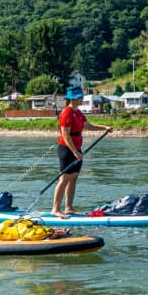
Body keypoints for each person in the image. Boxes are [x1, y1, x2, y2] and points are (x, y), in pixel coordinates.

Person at [52, 86, 111, 217]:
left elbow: (88, 126)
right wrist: (74, 152)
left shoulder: (77, 112)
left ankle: (68, 208)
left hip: (76, 150)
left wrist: (104, 128)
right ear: (73, 99)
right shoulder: (66, 112)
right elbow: (65, 134)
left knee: (73, 178)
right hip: (67, 149)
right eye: (80, 97)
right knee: (64, 178)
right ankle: (55, 209)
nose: (82, 99)